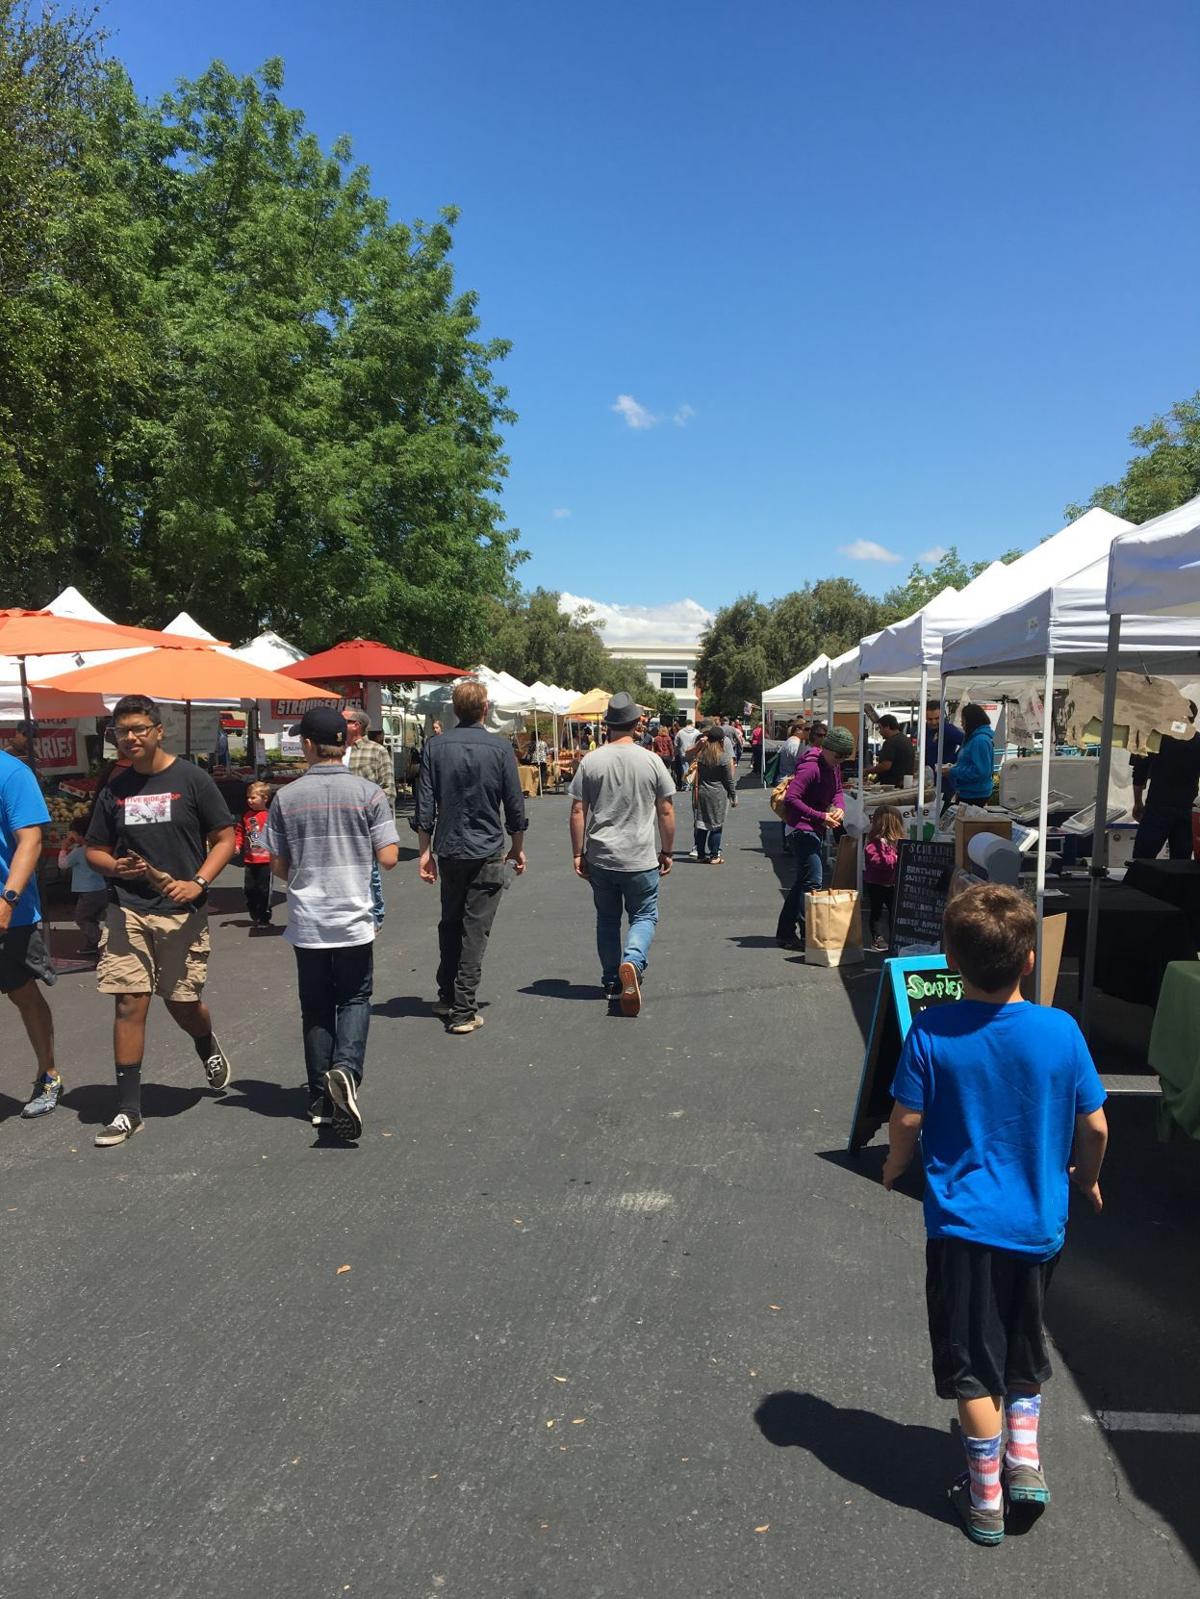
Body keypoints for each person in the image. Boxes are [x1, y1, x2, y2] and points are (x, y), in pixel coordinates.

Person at [883, 884, 1108, 1546]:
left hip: (965, 1229)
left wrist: (896, 1163)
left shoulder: (931, 1031)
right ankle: (1025, 1462)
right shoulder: (1060, 1031)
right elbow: (1095, 1125)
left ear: (950, 960)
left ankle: (985, 1499)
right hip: (1039, 1227)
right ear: (1029, 960)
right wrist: (1087, 1177)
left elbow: (907, 1119)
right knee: (1022, 1341)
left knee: (972, 1367)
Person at [85, 695, 237, 1147]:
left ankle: (205, 1042)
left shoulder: (192, 779)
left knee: (182, 1003)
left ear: (158, 730)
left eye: (138, 729)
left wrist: (199, 883)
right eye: (121, 732)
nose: (130, 738)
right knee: (129, 1002)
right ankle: (128, 1110)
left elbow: (225, 838)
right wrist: (115, 867)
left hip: (180, 911)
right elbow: (95, 849)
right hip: (127, 909)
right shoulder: (115, 788)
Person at [266, 706, 399, 1139]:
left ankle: (320, 1099)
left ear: (307, 744)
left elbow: (278, 865)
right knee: (355, 998)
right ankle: (345, 1069)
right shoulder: (368, 794)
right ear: (346, 743)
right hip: (353, 915)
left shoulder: (285, 797)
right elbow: (388, 857)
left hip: (308, 919)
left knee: (316, 1006)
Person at [416, 680, 527, 1034]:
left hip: (450, 847)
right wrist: (517, 845)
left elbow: (425, 804)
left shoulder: (435, 747)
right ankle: (463, 1008)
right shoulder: (499, 748)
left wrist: (424, 851)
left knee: (450, 922)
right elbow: (514, 804)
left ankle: (448, 994)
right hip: (486, 847)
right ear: (485, 708)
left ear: (454, 709)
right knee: (475, 928)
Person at [569, 691, 675, 1015]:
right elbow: (666, 810)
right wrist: (667, 850)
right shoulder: (651, 761)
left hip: (602, 855)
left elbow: (578, 810)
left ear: (608, 724)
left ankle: (612, 982)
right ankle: (633, 960)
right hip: (640, 856)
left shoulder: (591, 761)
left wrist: (577, 853)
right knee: (643, 915)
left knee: (607, 919)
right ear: (637, 723)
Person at [0, 743, 64, 1118]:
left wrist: (8, 899)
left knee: (22, 992)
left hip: (10, 912)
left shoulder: (11, 773)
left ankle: (48, 1074)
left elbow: (31, 840)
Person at [775, 727, 851, 950]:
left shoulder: (833, 766)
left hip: (813, 828)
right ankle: (808, 933)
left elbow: (838, 791)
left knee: (803, 881)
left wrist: (840, 807)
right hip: (800, 828)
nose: (839, 761)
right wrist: (821, 816)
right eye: (838, 756)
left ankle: (786, 933)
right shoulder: (810, 767)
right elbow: (792, 798)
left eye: (844, 758)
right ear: (827, 749)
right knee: (813, 881)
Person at [342, 708, 396, 929]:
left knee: (369, 871)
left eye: (344, 720)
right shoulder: (334, 751)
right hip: (338, 821)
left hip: (365, 821)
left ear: (356, 725)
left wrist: (373, 817)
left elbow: (388, 790)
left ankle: (375, 916)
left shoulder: (376, 751)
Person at [1131, 703, 1200, 860]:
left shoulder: (1155, 738)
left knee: (1143, 859)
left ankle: (1141, 877)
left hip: (1158, 805)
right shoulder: (1198, 741)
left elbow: (1139, 774)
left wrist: (1138, 802)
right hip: (1186, 808)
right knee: (1181, 862)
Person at [59, 809, 109, 959]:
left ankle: (98, 942)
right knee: (92, 918)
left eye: (72, 833)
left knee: (82, 918)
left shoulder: (79, 852)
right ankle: (93, 944)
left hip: (88, 892)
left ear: (79, 835)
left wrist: (63, 849)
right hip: (101, 889)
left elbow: (63, 865)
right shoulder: (96, 848)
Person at [692, 726, 738, 864]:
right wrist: (733, 795)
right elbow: (728, 780)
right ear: (721, 740)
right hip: (718, 793)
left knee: (702, 825)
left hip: (702, 792)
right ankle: (714, 855)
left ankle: (700, 855)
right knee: (716, 826)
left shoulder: (701, 755)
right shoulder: (723, 756)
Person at [863, 804, 903, 950]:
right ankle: (877, 937)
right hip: (876, 883)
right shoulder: (875, 843)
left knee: (894, 912)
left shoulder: (897, 842)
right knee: (877, 912)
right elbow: (877, 861)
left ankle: (895, 937)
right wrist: (896, 859)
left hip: (892, 883)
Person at [236, 780, 274, 927]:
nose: (249, 801)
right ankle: (253, 910)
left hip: (266, 860)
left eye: (253, 797)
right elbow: (240, 832)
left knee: (264, 890)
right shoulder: (246, 816)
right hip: (250, 860)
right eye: (248, 798)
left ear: (265, 798)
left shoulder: (270, 816)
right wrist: (237, 845)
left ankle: (264, 917)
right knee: (249, 889)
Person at [943, 703, 996, 805]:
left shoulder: (979, 740)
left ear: (971, 721)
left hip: (975, 794)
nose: (961, 723)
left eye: (963, 720)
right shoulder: (972, 738)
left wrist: (953, 771)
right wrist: (955, 767)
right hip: (968, 791)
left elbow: (980, 771)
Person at [869, 714, 916, 786]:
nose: (880, 732)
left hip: (892, 784)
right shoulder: (906, 740)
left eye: (880, 728)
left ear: (887, 727)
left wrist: (868, 771)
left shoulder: (890, 742)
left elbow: (886, 765)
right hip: (905, 783)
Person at [924, 701, 964, 778]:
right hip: (931, 774)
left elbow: (967, 742)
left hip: (946, 776)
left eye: (937, 718)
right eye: (930, 719)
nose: (933, 722)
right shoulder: (926, 729)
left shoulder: (948, 730)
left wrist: (954, 760)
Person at [674, 719, 699, 792]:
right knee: (693, 768)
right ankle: (691, 784)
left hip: (683, 752)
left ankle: (686, 785)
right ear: (691, 724)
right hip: (693, 752)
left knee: (685, 768)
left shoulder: (680, 732)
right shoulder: (697, 732)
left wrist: (676, 751)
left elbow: (675, 743)